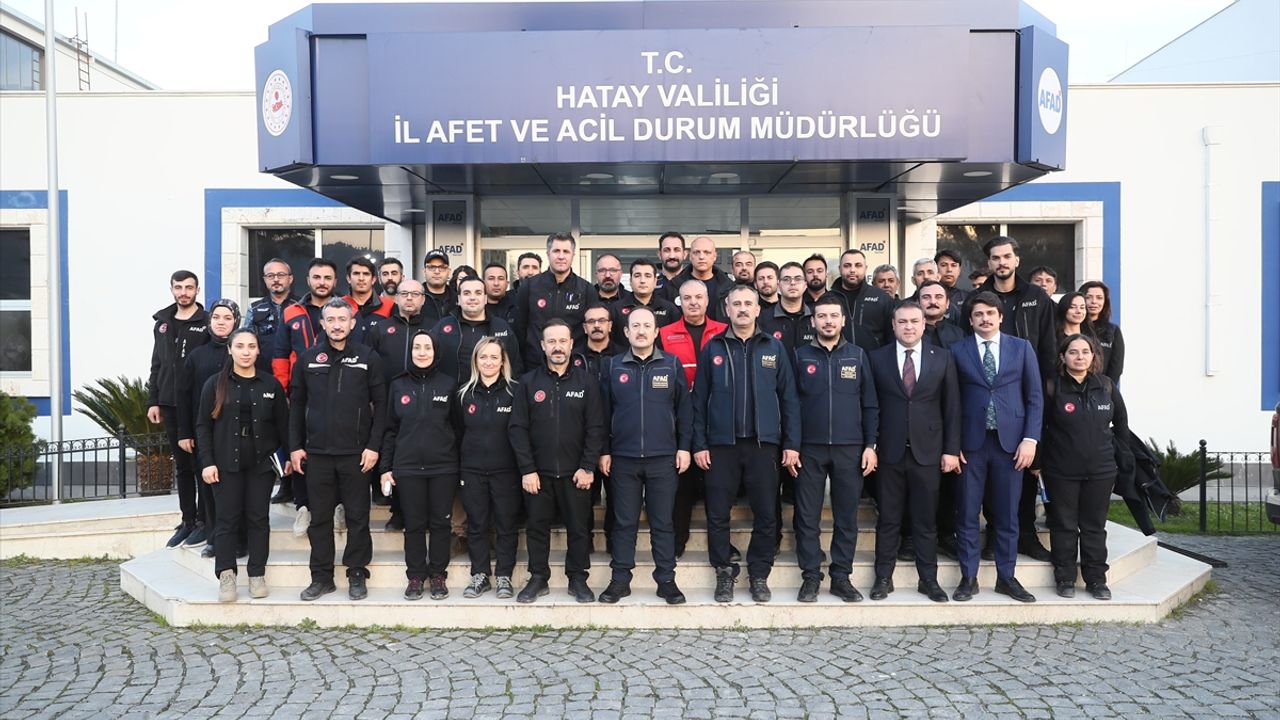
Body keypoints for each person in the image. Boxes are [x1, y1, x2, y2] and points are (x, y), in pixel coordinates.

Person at [693, 285, 801, 603]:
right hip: (720, 445)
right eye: (736, 303)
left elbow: (789, 399)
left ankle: (758, 574)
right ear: (727, 309)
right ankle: (724, 572)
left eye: (748, 304)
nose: (742, 308)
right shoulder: (713, 347)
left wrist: (791, 443)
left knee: (767, 514)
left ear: (757, 309)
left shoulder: (774, 348)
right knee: (717, 515)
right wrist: (699, 443)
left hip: (763, 445)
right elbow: (698, 401)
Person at [289, 299, 387, 602]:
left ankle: (356, 572)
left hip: (356, 454)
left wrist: (373, 446)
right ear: (322, 323)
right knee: (319, 519)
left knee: (357, 516)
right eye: (330, 319)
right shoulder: (308, 359)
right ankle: (321, 577)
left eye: (342, 319)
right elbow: (296, 406)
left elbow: (382, 406)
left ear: (352, 323)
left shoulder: (368, 357)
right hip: (317, 453)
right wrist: (295, 446)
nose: (336, 325)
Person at [950, 292, 1044, 603]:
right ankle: (968, 577)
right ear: (970, 319)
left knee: (1007, 514)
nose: (985, 318)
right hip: (970, 445)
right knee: (967, 513)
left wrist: (1030, 439)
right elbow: (949, 401)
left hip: (1011, 445)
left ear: (1001, 317)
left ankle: (1007, 577)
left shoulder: (1022, 348)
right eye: (978, 314)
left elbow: (1034, 397)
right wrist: (952, 443)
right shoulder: (957, 350)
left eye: (990, 313)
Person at [867, 301, 961, 603]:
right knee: (888, 519)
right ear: (893, 325)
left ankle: (928, 579)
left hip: (928, 452)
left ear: (923, 325)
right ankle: (883, 578)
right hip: (889, 452)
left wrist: (951, 450)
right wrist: (871, 445)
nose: (908, 326)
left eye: (914, 321)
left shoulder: (942, 358)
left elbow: (952, 407)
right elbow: (870, 405)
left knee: (925, 520)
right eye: (903, 321)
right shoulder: (876, 358)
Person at [598, 306, 693, 605]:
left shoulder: (671, 364)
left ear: (656, 332)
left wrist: (684, 447)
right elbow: (602, 414)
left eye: (647, 326)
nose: (641, 331)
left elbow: (685, 410)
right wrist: (604, 451)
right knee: (624, 523)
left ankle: (666, 581)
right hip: (623, 458)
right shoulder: (613, 366)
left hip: (663, 457)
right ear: (626, 332)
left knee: (663, 523)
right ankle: (620, 580)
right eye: (635, 326)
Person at [509, 320, 606, 604]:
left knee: (579, 529)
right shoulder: (528, 382)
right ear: (542, 346)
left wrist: (588, 466)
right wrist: (527, 469)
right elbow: (517, 429)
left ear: (572, 344)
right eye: (551, 341)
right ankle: (538, 577)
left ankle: (578, 578)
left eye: (563, 341)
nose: (557, 347)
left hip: (577, 474)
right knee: (537, 529)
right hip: (538, 475)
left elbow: (595, 428)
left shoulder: (587, 382)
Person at [975, 236, 1058, 562]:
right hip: (990, 397)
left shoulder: (1036, 297)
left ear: (1016, 260)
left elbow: (1049, 347)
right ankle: (995, 533)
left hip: (1028, 395)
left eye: (1006, 256)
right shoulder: (979, 299)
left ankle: (1026, 534)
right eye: (995, 258)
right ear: (989, 263)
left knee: (1026, 467)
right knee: (992, 471)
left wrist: (1047, 393)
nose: (1001, 262)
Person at [792, 296, 879, 603]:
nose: (828, 321)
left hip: (850, 449)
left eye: (833, 316)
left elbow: (870, 404)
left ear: (843, 321)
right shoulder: (800, 356)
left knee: (846, 516)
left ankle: (841, 576)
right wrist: (792, 445)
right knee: (807, 517)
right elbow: (790, 404)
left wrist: (870, 445)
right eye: (822, 316)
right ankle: (811, 576)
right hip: (809, 449)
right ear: (812, 321)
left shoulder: (857, 355)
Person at [195, 328, 290, 603]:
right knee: (227, 519)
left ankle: (257, 574)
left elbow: (283, 426)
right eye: (240, 346)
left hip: (261, 464)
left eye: (251, 346)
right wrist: (207, 462)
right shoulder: (214, 384)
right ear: (230, 350)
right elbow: (203, 426)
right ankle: (226, 575)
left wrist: (287, 459)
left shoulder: (270, 385)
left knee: (258, 519)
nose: (246, 352)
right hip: (225, 463)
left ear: (259, 350)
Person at [1038, 333, 1129, 600]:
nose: (1080, 357)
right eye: (1073, 352)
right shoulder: (1052, 387)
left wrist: (1119, 460)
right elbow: (1040, 427)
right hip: (1061, 470)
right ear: (1063, 357)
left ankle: (1096, 580)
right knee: (1064, 526)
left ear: (1093, 356)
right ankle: (1065, 578)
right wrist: (1039, 462)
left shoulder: (1106, 386)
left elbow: (1121, 425)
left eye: (1085, 352)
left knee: (1094, 527)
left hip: (1101, 470)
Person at [380, 330, 460, 601]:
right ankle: (415, 576)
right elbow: (390, 430)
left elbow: (458, 428)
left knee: (440, 523)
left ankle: (438, 575)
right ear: (410, 351)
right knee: (413, 524)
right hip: (408, 467)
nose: (422, 352)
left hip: (443, 467)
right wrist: (386, 468)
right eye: (417, 347)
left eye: (427, 347)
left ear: (436, 352)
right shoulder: (398, 384)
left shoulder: (449, 384)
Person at [274, 259, 352, 534]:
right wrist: (283, 390)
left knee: (339, 451)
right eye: (317, 277)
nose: (322, 282)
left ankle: (340, 506)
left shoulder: (346, 309)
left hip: (339, 390)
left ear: (335, 281)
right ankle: (303, 507)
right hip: (301, 390)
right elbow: (280, 353)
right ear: (307, 280)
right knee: (299, 448)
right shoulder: (291, 311)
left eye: (327, 277)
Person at [660, 279, 728, 557]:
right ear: (680, 301)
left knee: (718, 485)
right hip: (679, 417)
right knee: (682, 483)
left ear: (707, 300)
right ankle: (677, 540)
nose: (693, 302)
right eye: (687, 298)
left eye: (699, 297)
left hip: (719, 416)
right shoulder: (664, 333)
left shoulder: (724, 330)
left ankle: (722, 544)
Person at [148, 270, 211, 548]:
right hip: (169, 404)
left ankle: (205, 520)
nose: (183, 292)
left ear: (197, 290)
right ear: (172, 289)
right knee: (182, 467)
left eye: (188, 287)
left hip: (197, 405)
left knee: (201, 465)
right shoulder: (162, 323)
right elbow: (157, 364)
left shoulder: (206, 322)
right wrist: (153, 400)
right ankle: (188, 520)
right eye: (178, 287)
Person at [176, 299, 243, 558]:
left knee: (239, 489)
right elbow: (183, 395)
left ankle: (240, 538)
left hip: (237, 433)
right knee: (209, 488)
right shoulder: (197, 355)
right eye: (216, 317)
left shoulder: (243, 351)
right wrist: (185, 432)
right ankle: (215, 538)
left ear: (236, 321)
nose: (221, 322)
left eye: (227, 318)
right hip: (205, 432)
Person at [456, 337, 522, 600]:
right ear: (475, 360)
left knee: (506, 525)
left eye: (494, 357)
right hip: (472, 471)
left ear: (503, 361)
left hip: (506, 471)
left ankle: (504, 575)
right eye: (483, 356)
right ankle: (480, 575)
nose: (488, 362)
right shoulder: (464, 394)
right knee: (477, 524)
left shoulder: (515, 392)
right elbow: (458, 432)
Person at [364, 278, 432, 526]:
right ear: (396, 298)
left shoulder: (434, 329)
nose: (409, 298)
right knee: (391, 451)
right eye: (404, 294)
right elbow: (368, 366)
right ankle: (396, 508)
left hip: (424, 401)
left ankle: (418, 510)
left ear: (423, 299)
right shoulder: (381, 329)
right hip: (387, 401)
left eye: (415, 294)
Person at [513, 232, 597, 364]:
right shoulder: (529, 287)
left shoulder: (586, 289)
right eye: (556, 251)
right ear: (548, 254)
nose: (561, 256)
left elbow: (590, 331)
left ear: (573, 255)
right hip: (536, 365)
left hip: (574, 366)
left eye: (566, 252)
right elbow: (519, 329)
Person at [432, 276, 523, 386]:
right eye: (467, 293)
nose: (472, 298)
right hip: (451, 392)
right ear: (459, 299)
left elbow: (515, 367)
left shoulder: (501, 327)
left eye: (478, 293)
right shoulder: (443, 327)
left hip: (491, 393)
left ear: (485, 298)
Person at [826, 249, 895, 351]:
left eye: (858, 265)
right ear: (840, 269)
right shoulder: (827, 299)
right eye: (847, 266)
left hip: (874, 359)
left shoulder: (882, 298)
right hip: (837, 358)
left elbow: (892, 337)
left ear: (865, 268)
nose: (852, 270)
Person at [245, 258, 300, 376]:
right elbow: (246, 341)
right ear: (265, 280)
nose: (276, 279)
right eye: (270, 276)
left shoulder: (301, 306)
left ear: (290, 279)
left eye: (281, 275)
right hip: (262, 373)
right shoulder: (254, 309)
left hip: (296, 373)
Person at [661, 236, 733, 322]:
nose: (701, 257)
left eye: (707, 252)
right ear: (690, 256)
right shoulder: (673, 287)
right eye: (696, 252)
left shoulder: (729, 288)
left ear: (714, 256)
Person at [611, 258, 679, 345]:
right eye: (637, 276)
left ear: (655, 281)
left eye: (647, 276)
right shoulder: (615, 309)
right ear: (630, 281)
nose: (642, 281)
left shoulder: (670, 310)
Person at [758, 261, 815, 354]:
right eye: (786, 279)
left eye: (798, 279)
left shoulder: (817, 317)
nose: (792, 283)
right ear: (778, 285)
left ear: (805, 285)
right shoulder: (763, 318)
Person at [1078, 280, 1125, 383]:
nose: (1094, 301)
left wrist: (1105, 388)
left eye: (1099, 298)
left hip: (1101, 388)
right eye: (1088, 297)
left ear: (1105, 302)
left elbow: (1116, 368)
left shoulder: (1113, 331)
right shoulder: (1073, 327)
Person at [343, 256, 394, 341]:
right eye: (356, 273)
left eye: (366, 274)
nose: (361, 278)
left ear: (373, 279)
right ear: (348, 278)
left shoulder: (390, 306)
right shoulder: (339, 306)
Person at [918, 280, 966, 350]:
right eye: (926, 297)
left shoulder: (960, 335)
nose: (933, 302)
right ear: (918, 303)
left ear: (947, 303)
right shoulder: (910, 333)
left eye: (939, 297)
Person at [420, 250, 459, 326]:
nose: (437, 271)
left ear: (449, 272)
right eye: (432, 267)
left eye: (442, 267)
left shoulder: (457, 299)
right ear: (424, 271)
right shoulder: (415, 297)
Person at [933, 249, 968, 324]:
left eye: (953, 265)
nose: (949, 270)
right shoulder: (927, 297)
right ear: (935, 269)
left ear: (959, 270)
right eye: (944, 265)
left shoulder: (967, 298)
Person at [654, 231, 687, 295]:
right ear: (659, 254)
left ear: (685, 254)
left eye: (677, 250)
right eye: (666, 250)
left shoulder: (694, 284)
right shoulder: (651, 286)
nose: (672, 256)